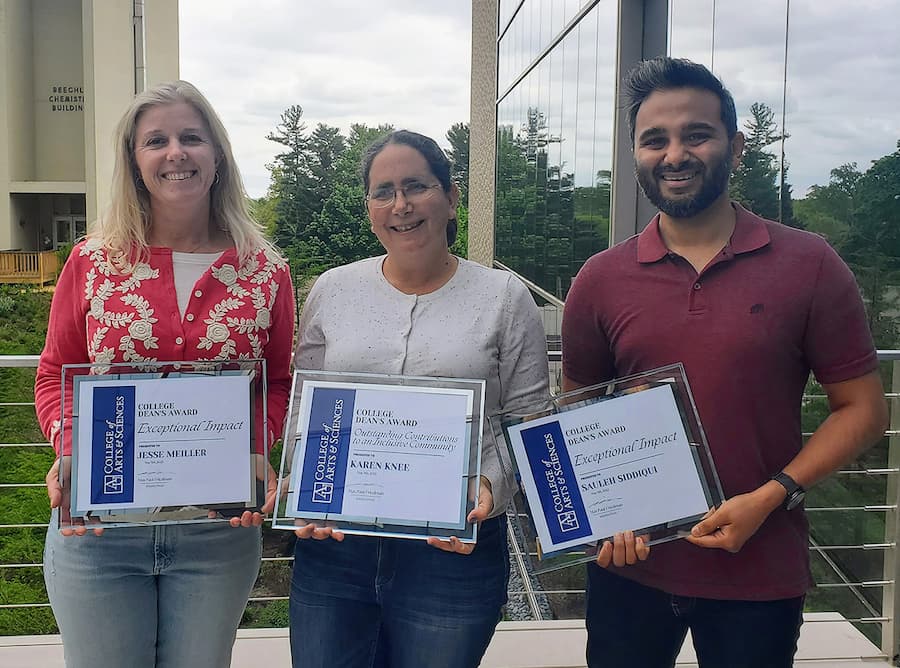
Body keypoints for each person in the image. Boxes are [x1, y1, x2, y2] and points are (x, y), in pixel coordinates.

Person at [561, 57, 889, 668]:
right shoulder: (600, 280)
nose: (675, 154)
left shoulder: (809, 264)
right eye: (654, 139)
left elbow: (863, 410)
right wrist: (601, 512)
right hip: (631, 567)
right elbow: (577, 408)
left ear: (735, 147)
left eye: (697, 134)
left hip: (758, 568)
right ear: (635, 153)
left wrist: (774, 494)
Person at [34, 80, 295, 668]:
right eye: (156, 140)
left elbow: (278, 382)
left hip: (218, 532)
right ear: (134, 160)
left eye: (191, 137)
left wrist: (258, 446)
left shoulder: (265, 270)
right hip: (99, 530)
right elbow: (54, 375)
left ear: (218, 155)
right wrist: (71, 447)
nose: (175, 152)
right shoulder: (93, 261)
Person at [290, 129, 550, 667]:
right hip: (336, 546)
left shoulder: (504, 297)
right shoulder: (332, 290)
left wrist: (490, 485)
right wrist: (302, 486)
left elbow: (530, 420)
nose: (400, 205)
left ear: (452, 197)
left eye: (416, 186)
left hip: (453, 549)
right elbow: (305, 407)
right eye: (383, 191)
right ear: (368, 208)